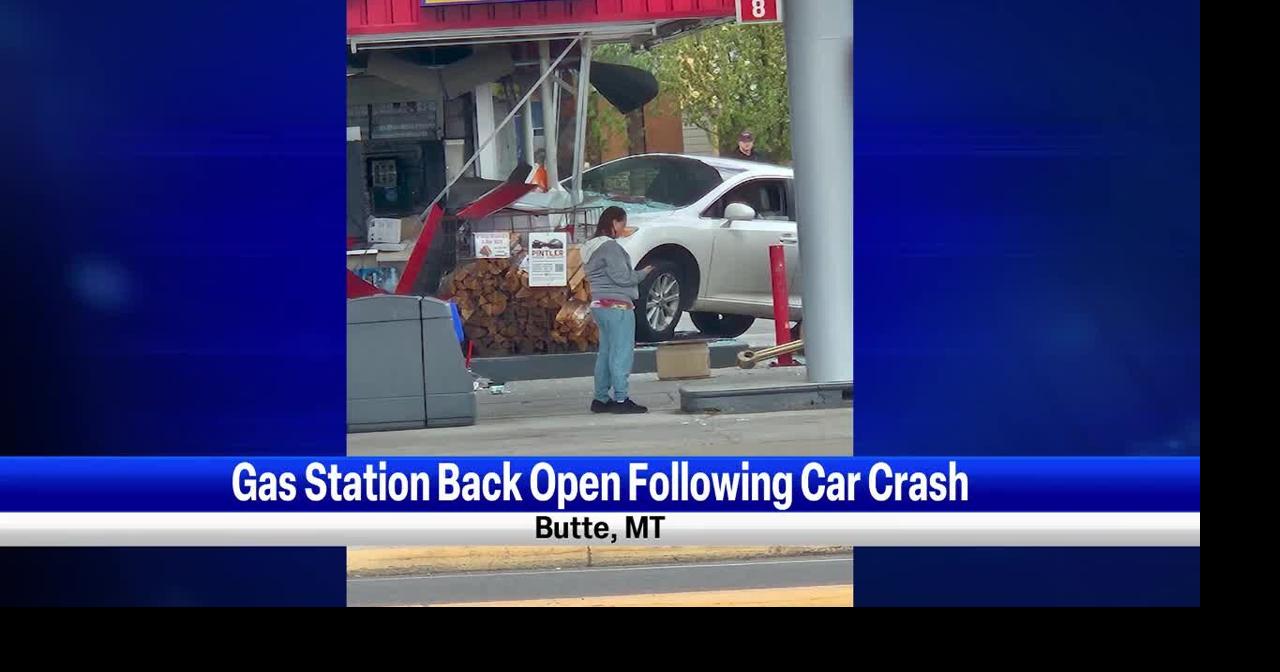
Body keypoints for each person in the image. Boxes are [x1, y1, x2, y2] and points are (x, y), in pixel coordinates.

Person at [580, 206, 653, 414]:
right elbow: (622, 277)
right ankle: (621, 399)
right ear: (614, 222)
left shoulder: (590, 246)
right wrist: (642, 273)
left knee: (605, 353)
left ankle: (600, 399)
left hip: (599, 305)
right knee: (621, 353)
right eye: (622, 223)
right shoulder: (610, 247)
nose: (623, 228)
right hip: (618, 306)